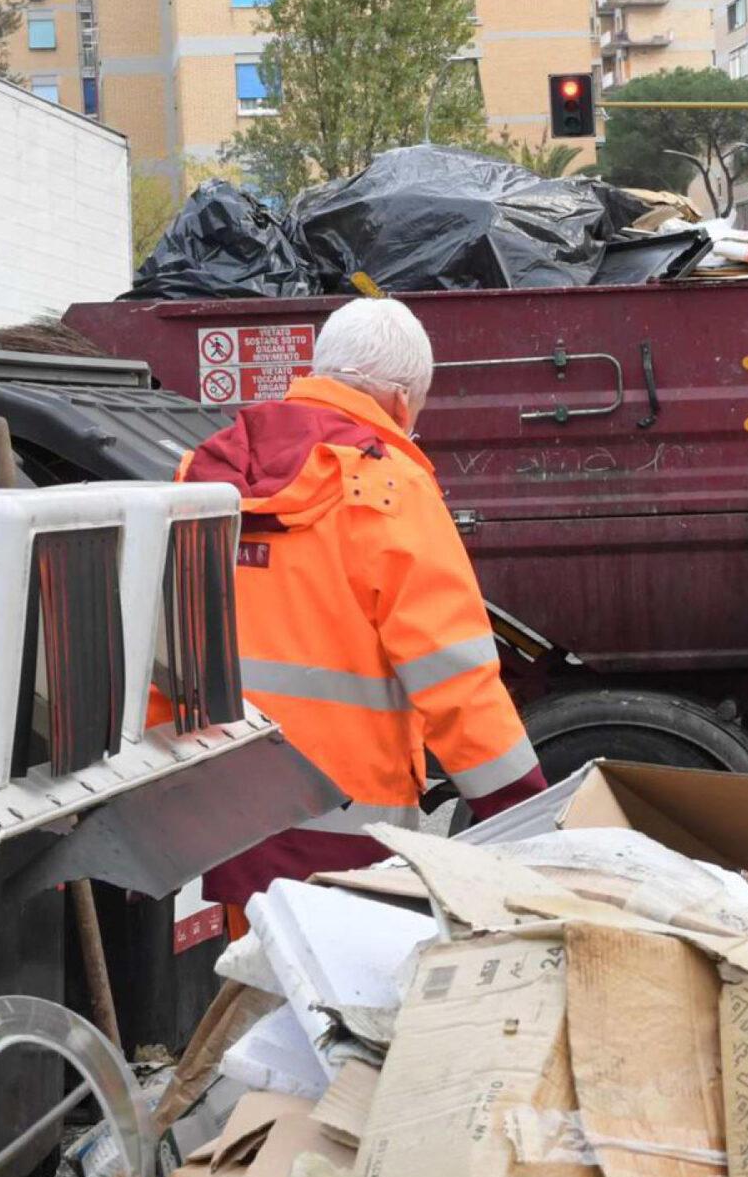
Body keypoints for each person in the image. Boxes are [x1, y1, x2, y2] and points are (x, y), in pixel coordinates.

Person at [179, 298, 546, 909]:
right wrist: (522, 811)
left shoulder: (204, 475)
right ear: (401, 402)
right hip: (349, 838)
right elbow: (455, 678)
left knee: (242, 996)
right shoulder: (389, 489)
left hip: (216, 822)